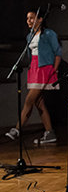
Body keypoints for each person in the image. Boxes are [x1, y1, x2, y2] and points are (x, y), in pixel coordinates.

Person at [6, 9, 61, 144]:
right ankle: (50, 133)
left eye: (32, 18)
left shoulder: (49, 34)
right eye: (27, 18)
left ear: (40, 19)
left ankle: (17, 129)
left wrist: (54, 70)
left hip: (44, 69)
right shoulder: (29, 36)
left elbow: (58, 53)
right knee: (38, 102)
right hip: (34, 68)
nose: (29, 21)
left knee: (29, 100)